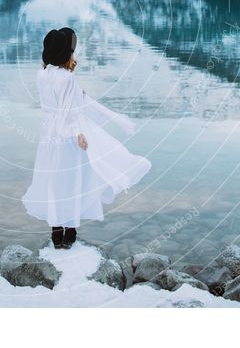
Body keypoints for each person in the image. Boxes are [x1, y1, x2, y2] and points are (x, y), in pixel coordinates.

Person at [22, 27, 152, 249]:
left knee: (53, 176)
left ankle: (56, 230)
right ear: (67, 54)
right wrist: (78, 133)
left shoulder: (41, 74)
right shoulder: (67, 79)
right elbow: (70, 111)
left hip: (49, 132)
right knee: (73, 178)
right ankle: (70, 229)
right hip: (67, 133)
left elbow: (56, 106)